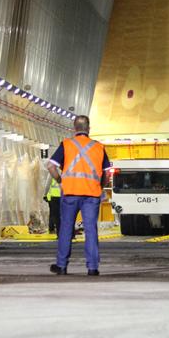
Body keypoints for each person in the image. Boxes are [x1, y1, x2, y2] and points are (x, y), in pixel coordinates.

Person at [47, 115, 109, 275]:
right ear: (88, 129)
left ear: (74, 128)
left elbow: (51, 167)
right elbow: (107, 173)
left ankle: (61, 266)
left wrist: (61, 181)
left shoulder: (66, 145)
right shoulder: (99, 147)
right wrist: (100, 186)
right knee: (91, 230)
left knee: (66, 229)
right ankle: (93, 268)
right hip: (91, 195)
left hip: (70, 194)